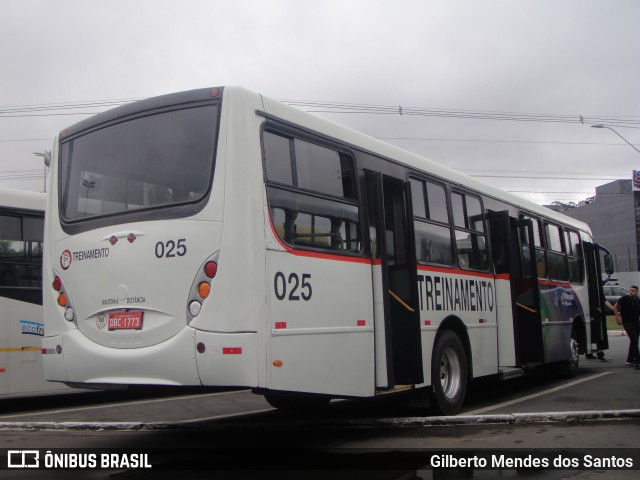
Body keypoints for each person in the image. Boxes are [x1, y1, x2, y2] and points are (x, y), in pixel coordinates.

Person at [613, 285, 640, 367]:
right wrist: (617, 318)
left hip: (636, 323)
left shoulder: (638, 300)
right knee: (634, 340)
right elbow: (615, 307)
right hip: (627, 322)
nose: (631, 292)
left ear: (637, 292)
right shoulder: (624, 298)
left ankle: (630, 359)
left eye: (633, 291)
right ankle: (638, 360)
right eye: (630, 290)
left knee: (634, 341)